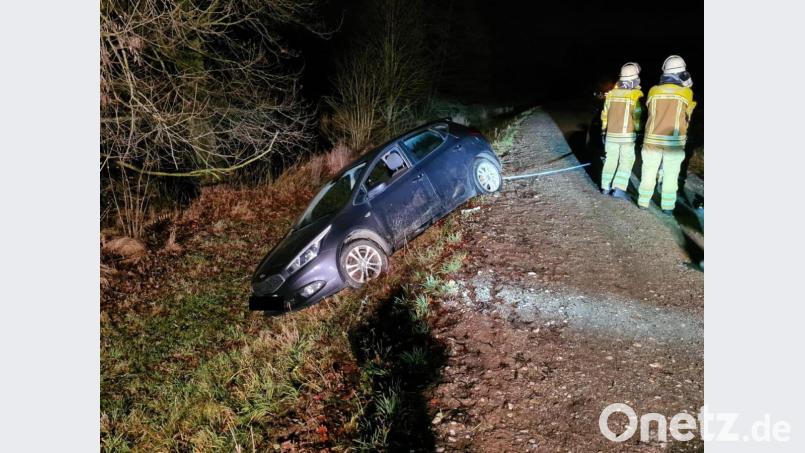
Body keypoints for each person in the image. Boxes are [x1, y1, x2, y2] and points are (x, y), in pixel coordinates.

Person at [637, 55, 697, 214]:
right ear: (682, 73)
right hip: (674, 142)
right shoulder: (686, 92)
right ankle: (667, 207)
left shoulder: (653, 90)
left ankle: (643, 202)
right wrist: (687, 82)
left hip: (652, 139)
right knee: (671, 174)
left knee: (648, 171)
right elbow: (688, 115)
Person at [600, 62, 644, 199]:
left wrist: (603, 130)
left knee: (610, 160)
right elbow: (637, 116)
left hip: (610, 134)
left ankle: (605, 187)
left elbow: (604, 114)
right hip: (627, 136)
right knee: (626, 161)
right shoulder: (636, 95)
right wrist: (639, 131)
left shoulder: (611, 94)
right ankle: (618, 188)